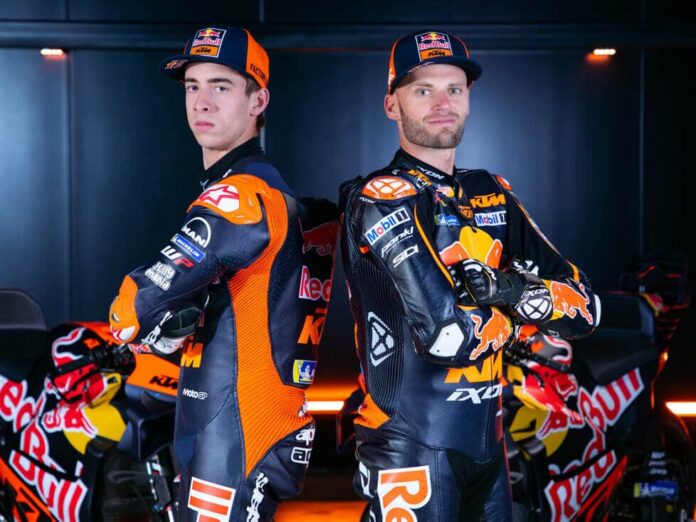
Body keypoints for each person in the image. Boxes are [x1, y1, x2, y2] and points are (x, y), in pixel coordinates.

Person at [339, 29, 600, 521]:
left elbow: (586, 309)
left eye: (454, 89)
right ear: (392, 105)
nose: (442, 103)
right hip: (409, 448)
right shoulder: (380, 198)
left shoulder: (491, 191)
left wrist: (507, 288)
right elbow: (447, 337)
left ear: (468, 100)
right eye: (423, 90)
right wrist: (523, 313)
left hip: (487, 447)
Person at [109, 25, 337, 520]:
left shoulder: (241, 197)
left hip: (234, 432)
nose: (202, 102)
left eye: (222, 86)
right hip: (253, 420)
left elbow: (131, 312)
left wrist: (143, 320)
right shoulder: (272, 196)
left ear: (259, 101)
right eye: (193, 87)